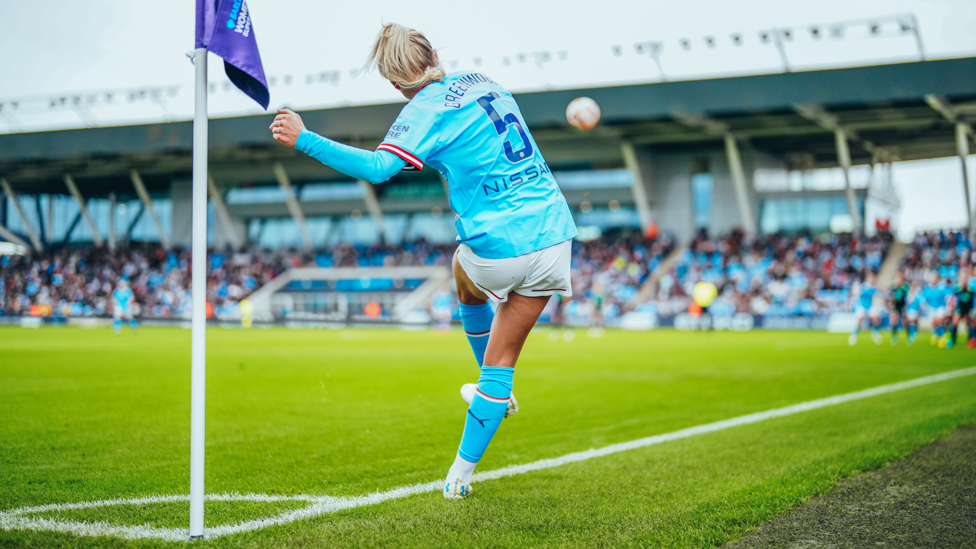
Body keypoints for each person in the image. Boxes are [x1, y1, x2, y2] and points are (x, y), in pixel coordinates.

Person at [270, 23, 578, 500]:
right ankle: (459, 471)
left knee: (463, 276)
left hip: (499, 245)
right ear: (434, 53)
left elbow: (378, 168)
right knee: (504, 361)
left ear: (395, 83)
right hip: (556, 235)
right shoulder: (486, 81)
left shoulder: (423, 110)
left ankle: (474, 432)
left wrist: (305, 139)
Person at [850, 271, 883, 346]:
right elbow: (856, 296)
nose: (872, 279)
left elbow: (883, 293)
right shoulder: (863, 287)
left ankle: (875, 334)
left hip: (870, 306)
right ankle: (854, 335)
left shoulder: (875, 287)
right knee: (859, 322)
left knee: (876, 318)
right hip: (862, 306)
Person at [920, 272, 951, 346]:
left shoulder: (942, 286)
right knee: (934, 323)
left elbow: (948, 296)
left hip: (940, 307)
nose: (934, 280)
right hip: (931, 308)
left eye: (935, 278)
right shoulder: (927, 288)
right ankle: (937, 334)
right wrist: (923, 306)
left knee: (939, 320)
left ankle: (942, 336)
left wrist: (949, 305)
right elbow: (924, 298)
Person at [949, 272, 975, 349]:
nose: (963, 280)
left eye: (964, 279)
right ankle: (953, 340)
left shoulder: (971, 289)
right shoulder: (957, 288)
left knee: (970, 324)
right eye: (961, 279)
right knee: (955, 323)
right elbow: (953, 298)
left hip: (968, 309)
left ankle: (971, 340)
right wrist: (951, 306)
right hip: (959, 308)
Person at [888, 271, 910, 345]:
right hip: (895, 306)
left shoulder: (905, 287)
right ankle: (894, 337)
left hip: (903, 306)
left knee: (905, 322)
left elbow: (907, 297)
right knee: (894, 320)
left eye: (899, 277)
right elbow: (890, 297)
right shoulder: (893, 286)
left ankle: (908, 337)